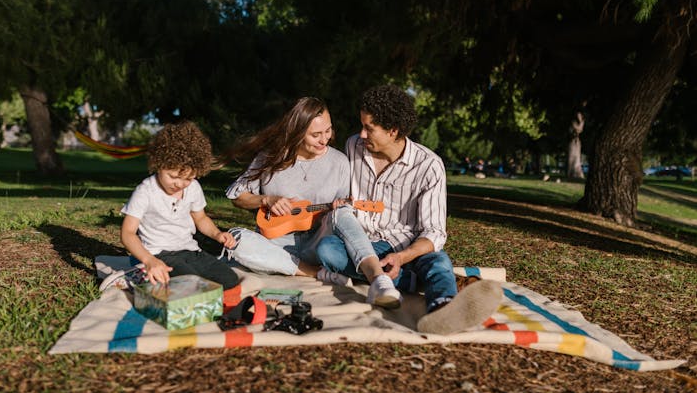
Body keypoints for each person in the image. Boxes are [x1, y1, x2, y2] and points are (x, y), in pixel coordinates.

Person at [317, 85, 503, 334]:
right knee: (327, 250)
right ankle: (437, 282)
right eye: (361, 126)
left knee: (437, 259)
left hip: (409, 246)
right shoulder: (353, 147)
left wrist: (402, 258)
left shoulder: (429, 166)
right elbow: (341, 191)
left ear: (393, 131)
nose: (361, 134)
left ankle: (441, 309)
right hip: (362, 244)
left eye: (369, 128)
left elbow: (435, 232)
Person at [222, 97, 402, 307]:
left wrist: (340, 208)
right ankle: (315, 273)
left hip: (318, 242)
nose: (324, 139)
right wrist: (266, 199)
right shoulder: (271, 157)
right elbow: (237, 196)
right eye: (316, 134)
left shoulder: (339, 162)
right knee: (235, 239)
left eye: (328, 131)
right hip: (276, 244)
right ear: (297, 133)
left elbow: (344, 218)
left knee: (341, 212)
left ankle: (378, 280)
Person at [118, 121, 240, 293]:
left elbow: (201, 218)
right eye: (173, 176)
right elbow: (127, 233)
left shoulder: (193, 188)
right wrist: (149, 260)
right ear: (159, 164)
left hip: (190, 250)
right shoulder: (145, 191)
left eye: (188, 179)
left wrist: (217, 234)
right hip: (158, 254)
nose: (179, 184)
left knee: (230, 280)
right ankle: (141, 274)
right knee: (191, 286)